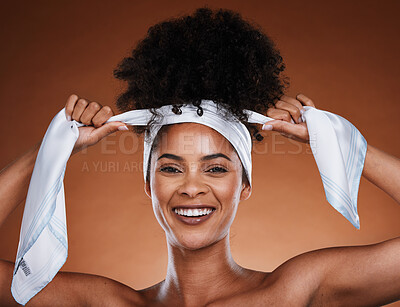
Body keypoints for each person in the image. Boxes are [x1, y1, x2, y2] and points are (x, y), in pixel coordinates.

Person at [1, 7, 399, 306]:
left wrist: (334, 143)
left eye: (215, 167)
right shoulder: (103, 303)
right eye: (171, 167)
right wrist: (49, 154)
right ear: (148, 183)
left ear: (244, 184)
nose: (192, 187)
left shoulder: (294, 293)